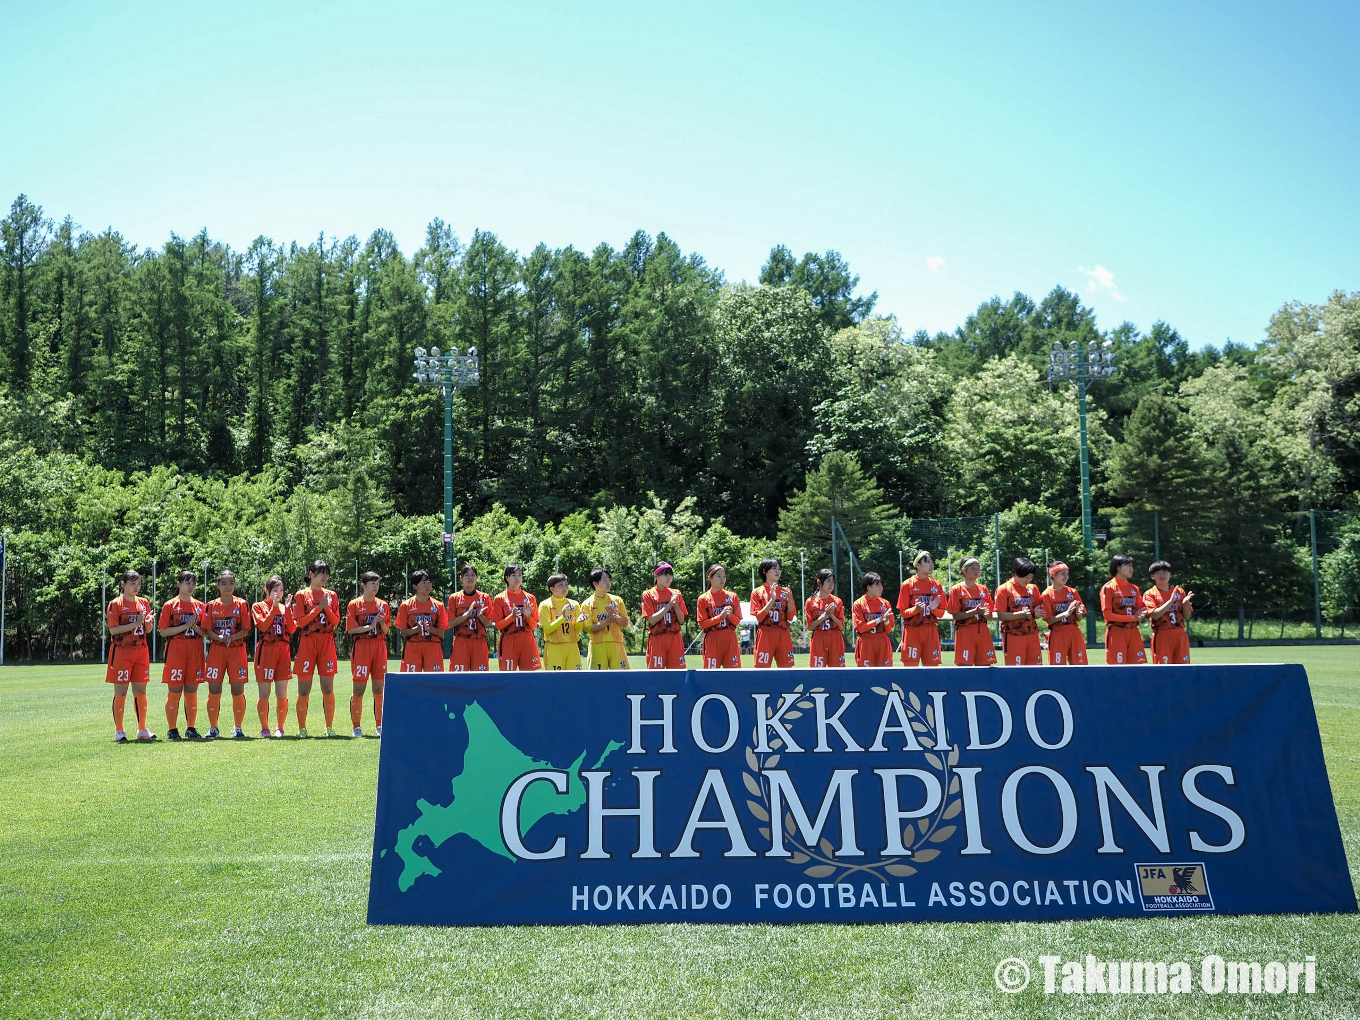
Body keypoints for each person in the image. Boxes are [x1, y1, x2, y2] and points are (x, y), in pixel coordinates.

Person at [290, 561, 342, 737]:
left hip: (327, 641)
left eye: (327, 573)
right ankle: (302, 728)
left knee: (328, 687)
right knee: (304, 689)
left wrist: (326, 609)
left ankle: (329, 727)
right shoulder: (301, 595)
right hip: (307, 641)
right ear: (310, 574)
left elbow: (336, 622)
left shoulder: (332, 595)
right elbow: (301, 622)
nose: (325, 576)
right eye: (321, 573)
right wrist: (319, 608)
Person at [105, 569, 156, 742]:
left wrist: (148, 624)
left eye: (139, 584)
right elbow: (113, 629)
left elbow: (147, 629)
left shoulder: (144, 603)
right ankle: (119, 731)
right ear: (123, 584)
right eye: (133, 584)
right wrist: (136, 623)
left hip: (141, 651)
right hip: (121, 651)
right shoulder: (115, 604)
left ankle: (142, 729)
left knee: (140, 691)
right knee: (121, 691)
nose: (136, 587)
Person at [158, 570, 207, 740]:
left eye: (193, 583)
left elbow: (205, 632)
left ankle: (191, 728)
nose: (191, 586)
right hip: (176, 649)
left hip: (195, 649)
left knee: (192, 690)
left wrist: (194, 628)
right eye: (187, 583)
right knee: (174, 690)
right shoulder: (170, 605)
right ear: (178, 584)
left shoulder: (200, 606)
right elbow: (163, 631)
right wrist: (185, 626)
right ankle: (172, 729)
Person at [203, 569, 251, 738]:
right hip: (217, 650)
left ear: (235, 584)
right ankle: (213, 728)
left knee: (237, 691)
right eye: (224, 583)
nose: (228, 586)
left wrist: (231, 638)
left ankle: (238, 727)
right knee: (214, 690)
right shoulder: (211, 605)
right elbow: (207, 630)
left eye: (231, 582)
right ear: (218, 585)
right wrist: (221, 638)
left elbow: (245, 628)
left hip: (237, 651)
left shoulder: (242, 604)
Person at [345, 571, 390, 737]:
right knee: (359, 690)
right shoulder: (354, 605)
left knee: (379, 690)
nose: (376, 586)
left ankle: (379, 726)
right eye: (372, 583)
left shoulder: (383, 605)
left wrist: (382, 623)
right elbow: (350, 629)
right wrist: (370, 627)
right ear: (363, 585)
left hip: (379, 646)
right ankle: (356, 727)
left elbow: (385, 631)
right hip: (362, 648)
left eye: (377, 583)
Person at [252, 576, 294, 737]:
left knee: (281, 693)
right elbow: (262, 625)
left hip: (283, 651)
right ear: (266, 591)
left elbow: (291, 629)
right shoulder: (258, 606)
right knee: (264, 694)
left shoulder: (285, 607)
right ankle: (265, 727)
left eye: (281, 590)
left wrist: (288, 610)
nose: (278, 594)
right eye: (275, 590)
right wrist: (274, 608)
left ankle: (280, 727)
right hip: (266, 651)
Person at [896, 551, 946, 667]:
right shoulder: (907, 585)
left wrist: (933, 609)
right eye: (927, 562)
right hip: (912, 630)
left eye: (932, 562)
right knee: (911, 668)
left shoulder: (936, 585)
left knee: (932, 668)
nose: (931, 565)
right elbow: (903, 612)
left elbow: (941, 613)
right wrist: (915, 610)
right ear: (917, 565)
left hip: (931, 630)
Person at [994, 557, 1045, 666]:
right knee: (1015, 671)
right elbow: (1001, 615)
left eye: (1031, 577)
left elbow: (1035, 611)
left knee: (1036, 669)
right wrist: (1020, 614)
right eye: (1026, 577)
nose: (1028, 580)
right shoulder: (1004, 589)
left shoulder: (1033, 588)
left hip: (1032, 634)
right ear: (1016, 573)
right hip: (1013, 635)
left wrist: (1036, 614)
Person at [394, 569, 448, 672]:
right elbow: (403, 632)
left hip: (433, 646)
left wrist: (429, 628)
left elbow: (441, 633)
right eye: (423, 583)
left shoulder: (439, 606)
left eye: (429, 582)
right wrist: (417, 629)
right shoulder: (406, 605)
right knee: (411, 681)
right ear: (415, 586)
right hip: (412, 646)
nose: (428, 585)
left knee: (434, 682)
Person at [489, 564, 541, 671]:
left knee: (529, 677)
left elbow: (533, 626)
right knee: (508, 677)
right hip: (509, 639)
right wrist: (511, 617)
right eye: (513, 575)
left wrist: (528, 617)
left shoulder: (530, 598)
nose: (517, 578)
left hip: (526, 639)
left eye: (520, 575)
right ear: (507, 578)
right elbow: (498, 625)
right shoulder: (500, 598)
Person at [947, 557, 996, 666]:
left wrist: (987, 614)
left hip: (983, 631)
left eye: (978, 568)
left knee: (985, 667)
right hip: (965, 631)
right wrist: (975, 612)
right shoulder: (957, 589)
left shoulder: (983, 589)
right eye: (973, 568)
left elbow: (990, 615)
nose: (976, 571)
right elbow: (955, 615)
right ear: (964, 570)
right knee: (964, 667)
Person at [1100, 554, 1149, 664]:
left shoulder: (1134, 588)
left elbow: (1142, 609)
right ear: (1117, 567)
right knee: (1118, 671)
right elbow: (1107, 615)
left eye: (1132, 566)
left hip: (1134, 632)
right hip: (1116, 632)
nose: (1131, 569)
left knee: (1137, 670)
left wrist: (1142, 613)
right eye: (1127, 565)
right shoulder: (1108, 588)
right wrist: (1133, 617)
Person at [1144, 560, 1194, 664]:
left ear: (1170, 574)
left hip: (1180, 633)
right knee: (1163, 669)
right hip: (1162, 634)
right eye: (1158, 572)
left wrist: (1185, 603)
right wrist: (1170, 601)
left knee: (1183, 668)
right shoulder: (1150, 594)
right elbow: (1155, 615)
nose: (1162, 575)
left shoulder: (1179, 592)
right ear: (1152, 576)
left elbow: (1187, 616)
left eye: (1165, 572)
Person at [749, 558, 796, 668]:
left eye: (779, 569)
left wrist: (789, 600)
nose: (777, 572)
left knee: (786, 669)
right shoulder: (757, 592)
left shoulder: (785, 592)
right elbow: (760, 618)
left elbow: (790, 617)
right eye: (774, 569)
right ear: (765, 571)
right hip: (766, 632)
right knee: (762, 670)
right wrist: (772, 600)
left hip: (783, 633)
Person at [1040, 562, 1088, 665]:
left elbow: (1079, 618)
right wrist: (1066, 613)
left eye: (1067, 574)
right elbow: (1049, 619)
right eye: (1062, 574)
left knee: (1080, 666)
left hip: (1074, 632)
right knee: (1057, 667)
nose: (1066, 577)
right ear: (1053, 575)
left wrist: (1078, 613)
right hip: (1058, 633)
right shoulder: (1046, 594)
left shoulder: (1073, 592)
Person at [642, 563, 688, 669]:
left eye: (670, 575)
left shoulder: (676, 593)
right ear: (656, 576)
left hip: (675, 637)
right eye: (665, 575)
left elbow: (681, 620)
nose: (668, 578)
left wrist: (675, 604)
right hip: (657, 638)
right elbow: (652, 620)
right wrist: (669, 605)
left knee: (677, 674)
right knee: (656, 675)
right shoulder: (648, 594)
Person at [447, 565, 493, 672]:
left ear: (477, 578)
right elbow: (450, 624)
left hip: (479, 641)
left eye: (473, 575)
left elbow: (488, 623)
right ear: (461, 578)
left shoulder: (485, 597)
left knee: (480, 677)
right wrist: (467, 615)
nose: (470, 578)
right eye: (467, 575)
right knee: (458, 677)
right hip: (461, 641)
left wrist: (480, 615)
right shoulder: (454, 598)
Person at [583, 567, 631, 669]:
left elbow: (625, 623)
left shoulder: (617, 600)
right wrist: (607, 621)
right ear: (595, 584)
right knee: (597, 681)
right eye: (604, 580)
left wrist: (616, 618)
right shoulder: (587, 604)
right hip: (598, 645)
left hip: (616, 644)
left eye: (609, 580)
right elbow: (589, 629)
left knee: (622, 679)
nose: (608, 583)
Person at [696, 564, 742, 668]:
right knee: (710, 676)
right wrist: (720, 617)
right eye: (719, 576)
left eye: (724, 576)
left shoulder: (732, 596)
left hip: (729, 638)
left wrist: (730, 616)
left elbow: (737, 621)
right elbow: (703, 624)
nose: (722, 579)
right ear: (710, 578)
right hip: (712, 639)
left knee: (733, 674)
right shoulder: (703, 599)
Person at [541, 573, 584, 671]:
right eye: (560, 585)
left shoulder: (574, 604)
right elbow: (547, 630)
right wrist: (562, 618)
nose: (564, 588)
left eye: (566, 585)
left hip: (572, 645)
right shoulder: (545, 605)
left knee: (575, 679)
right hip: (554, 647)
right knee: (555, 681)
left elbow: (577, 629)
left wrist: (580, 622)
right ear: (552, 589)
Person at [804, 569, 846, 668]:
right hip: (818, 637)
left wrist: (831, 615)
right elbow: (810, 627)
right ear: (819, 582)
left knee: (838, 672)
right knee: (817, 672)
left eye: (833, 581)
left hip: (835, 637)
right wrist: (824, 615)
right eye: (828, 581)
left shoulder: (837, 601)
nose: (831, 584)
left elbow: (841, 625)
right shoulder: (810, 601)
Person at [852, 572, 895, 668]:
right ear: (868, 587)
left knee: (884, 674)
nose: (881, 588)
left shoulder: (885, 603)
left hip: (882, 641)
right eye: (877, 585)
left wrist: (886, 621)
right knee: (866, 676)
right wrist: (879, 619)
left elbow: (888, 630)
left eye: (881, 585)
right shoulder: (859, 603)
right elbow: (860, 628)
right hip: (866, 642)